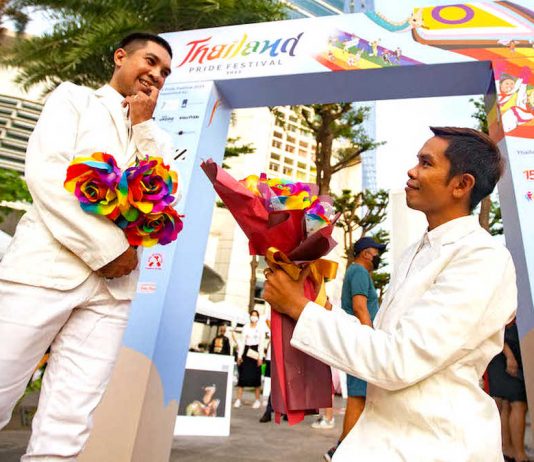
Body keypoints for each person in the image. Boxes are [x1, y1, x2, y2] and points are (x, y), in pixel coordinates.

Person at [263, 126, 517, 461]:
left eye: (426, 163)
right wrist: (309, 300)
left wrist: (299, 307)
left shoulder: (482, 257)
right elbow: (379, 338)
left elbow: (398, 360)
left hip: (437, 444)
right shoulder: (415, 251)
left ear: (461, 184)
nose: (412, 171)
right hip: (386, 437)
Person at [0, 32, 173, 460]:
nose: (156, 74)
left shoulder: (158, 137)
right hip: (43, 271)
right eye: (150, 61)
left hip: (112, 294)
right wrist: (110, 251)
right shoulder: (73, 99)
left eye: (165, 72)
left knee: (70, 421)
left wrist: (143, 126)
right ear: (120, 57)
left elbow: (164, 199)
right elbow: (47, 176)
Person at [323, 237, 385, 457]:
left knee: (361, 397)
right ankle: (340, 450)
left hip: (358, 340)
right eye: (376, 252)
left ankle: (346, 448)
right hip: (361, 342)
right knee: (358, 398)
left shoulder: (355, 271)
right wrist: (370, 339)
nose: (378, 257)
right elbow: (360, 307)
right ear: (366, 253)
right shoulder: (359, 272)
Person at [487, 320, 529, 462]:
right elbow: (495, 326)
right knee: (518, 403)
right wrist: (509, 356)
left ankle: (508, 450)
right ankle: (519, 454)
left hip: (507, 351)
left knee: (506, 403)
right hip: (504, 353)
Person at [234, 309, 265, 409]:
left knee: (256, 377)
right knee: (242, 377)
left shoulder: (260, 328)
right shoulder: (246, 327)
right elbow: (242, 342)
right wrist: (239, 356)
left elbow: (262, 343)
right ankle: (238, 399)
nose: (253, 317)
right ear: (250, 316)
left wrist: (260, 357)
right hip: (246, 351)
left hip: (255, 352)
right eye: (252, 315)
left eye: (255, 315)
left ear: (258, 318)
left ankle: (257, 400)